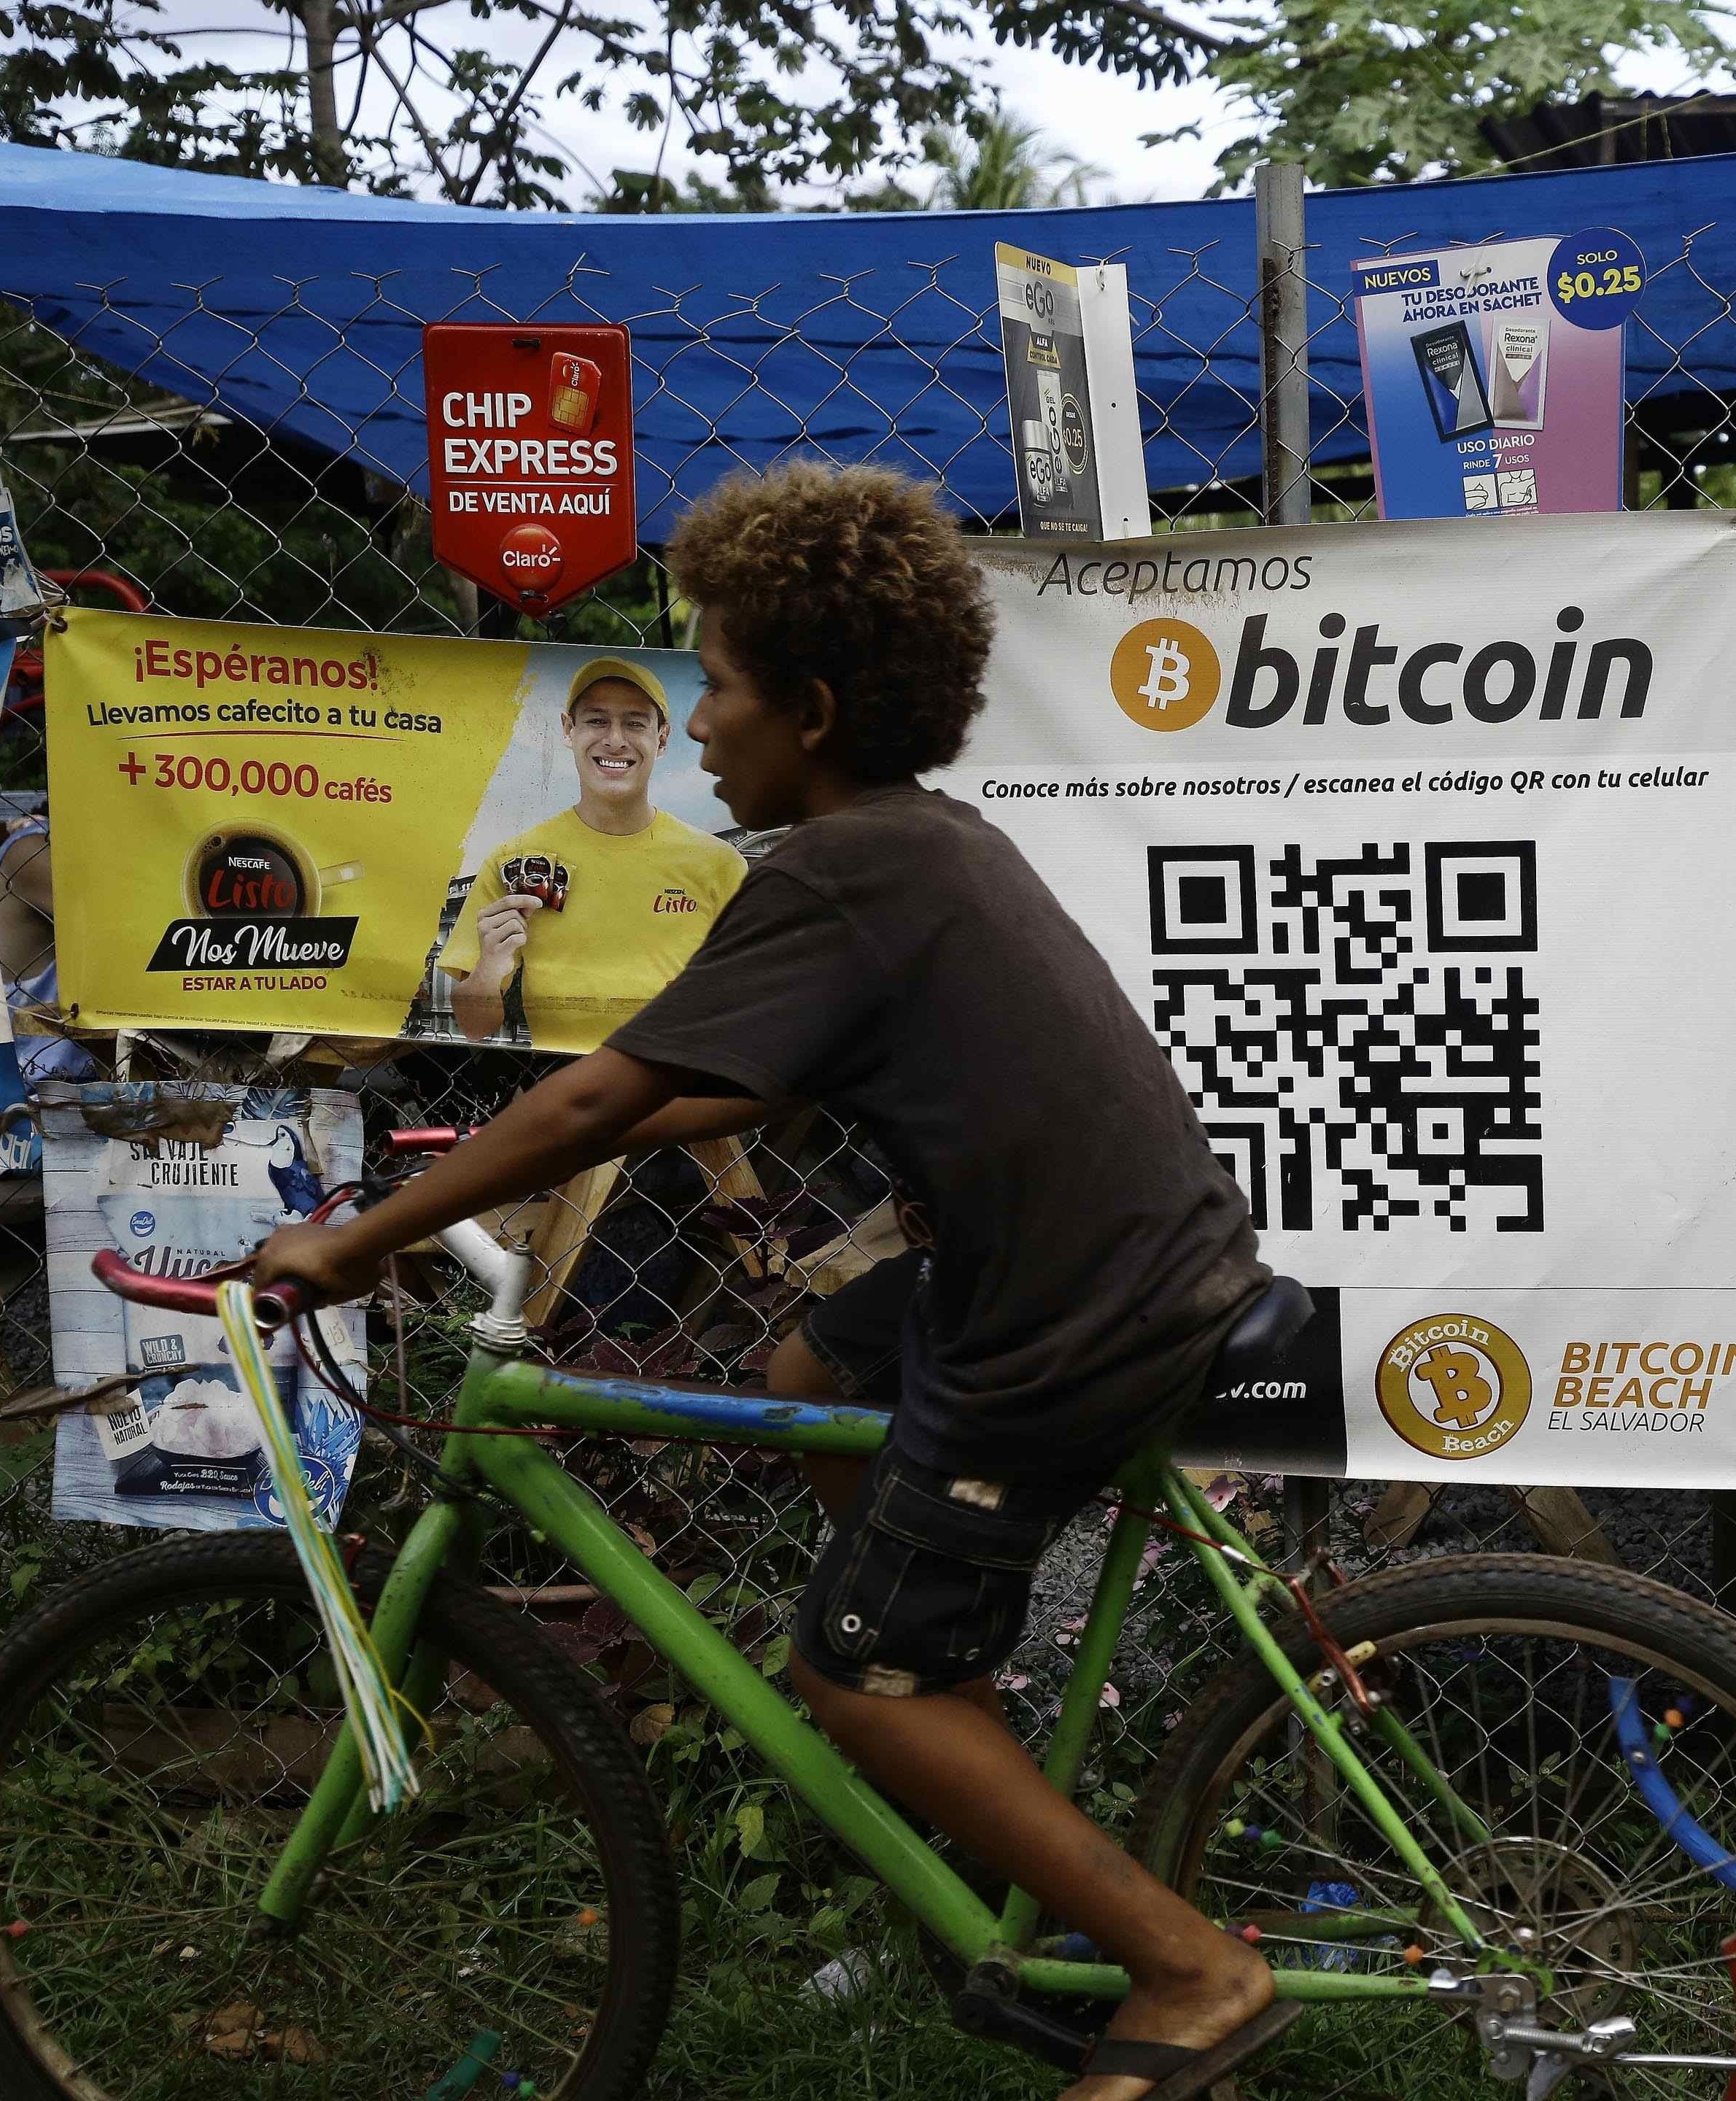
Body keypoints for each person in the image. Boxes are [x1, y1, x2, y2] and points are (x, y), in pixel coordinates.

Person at [254, 463, 1290, 2101]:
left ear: (807, 710)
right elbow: (703, 1089)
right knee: (808, 1372)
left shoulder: (839, 873)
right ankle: (950, 1696)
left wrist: (358, 1235)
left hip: (1065, 1320)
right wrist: (543, 1149)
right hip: (1100, 1263)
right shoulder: (913, 846)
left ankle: (1182, 1966)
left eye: (717, 685)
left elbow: (597, 1097)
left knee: (841, 1673)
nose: (696, 721)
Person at [437, 657, 747, 1048]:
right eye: (597, 721)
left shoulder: (718, 864)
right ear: (569, 729)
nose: (615, 740)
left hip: (679, 1075)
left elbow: (753, 1000)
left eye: (635, 723)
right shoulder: (514, 862)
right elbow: (474, 1026)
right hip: (560, 1075)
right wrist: (489, 967)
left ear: (662, 739)